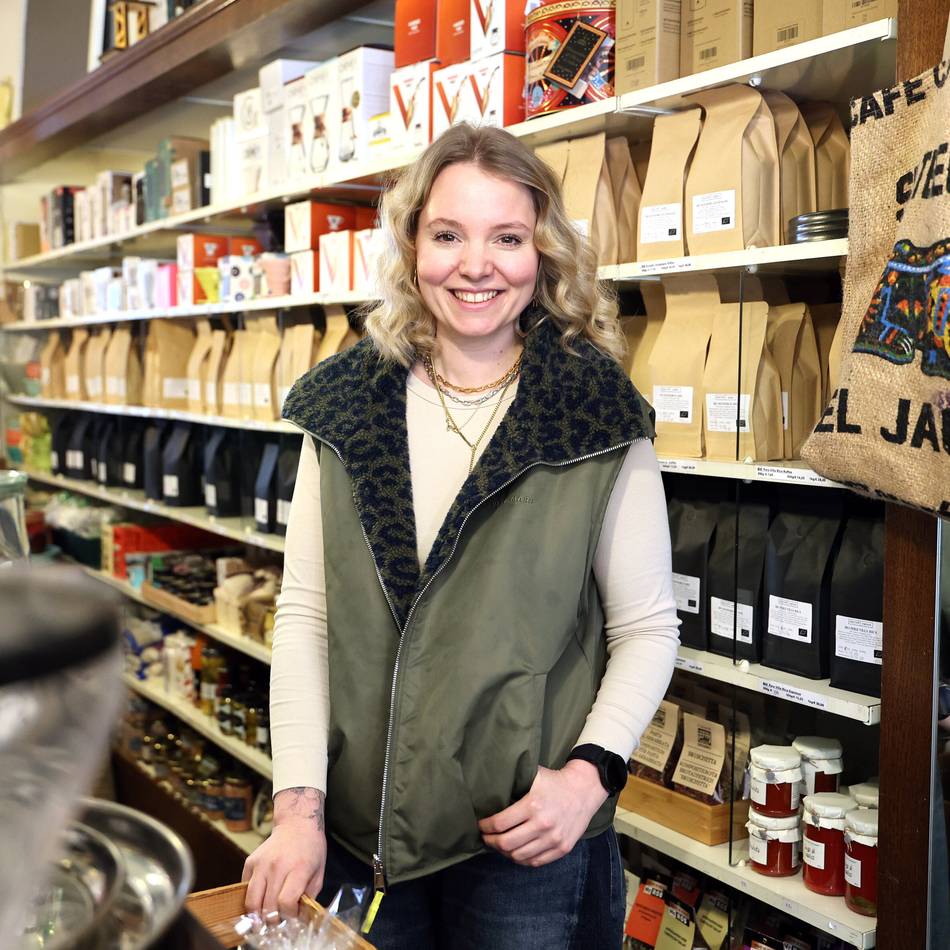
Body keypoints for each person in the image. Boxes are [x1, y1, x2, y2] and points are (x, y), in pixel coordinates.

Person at [243, 123, 680, 949]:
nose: (475, 265)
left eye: (507, 237)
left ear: (543, 252)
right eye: (448, 234)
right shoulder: (343, 407)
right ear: (413, 246)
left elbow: (648, 627)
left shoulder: (596, 413)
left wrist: (589, 778)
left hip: (527, 847)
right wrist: (297, 808)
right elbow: (305, 617)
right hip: (355, 838)